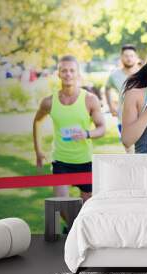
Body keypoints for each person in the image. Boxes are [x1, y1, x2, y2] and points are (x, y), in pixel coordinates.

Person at [33, 55, 105, 204]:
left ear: (78, 74)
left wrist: (86, 134)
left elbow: (102, 128)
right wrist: (38, 151)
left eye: (72, 70)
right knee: (61, 204)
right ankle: (72, 226)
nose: (68, 74)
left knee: (88, 206)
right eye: (64, 70)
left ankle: (75, 226)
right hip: (61, 161)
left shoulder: (90, 99)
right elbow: (37, 122)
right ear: (58, 74)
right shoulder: (49, 102)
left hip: (84, 161)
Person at [105, 44, 140, 153]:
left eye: (131, 56)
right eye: (126, 56)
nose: (129, 58)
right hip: (123, 118)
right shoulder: (114, 75)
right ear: (121, 57)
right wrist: (111, 106)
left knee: (143, 150)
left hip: (142, 116)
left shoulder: (143, 74)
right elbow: (107, 89)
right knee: (129, 151)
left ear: (136, 57)